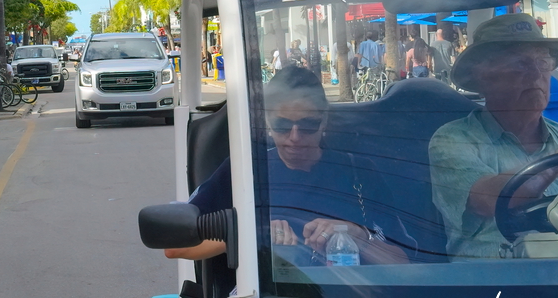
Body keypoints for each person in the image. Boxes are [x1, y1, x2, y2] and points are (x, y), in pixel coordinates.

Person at [429, 12, 558, 260]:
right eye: (519, 63)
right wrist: (555, 163)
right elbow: (487, 200)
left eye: (542, 64)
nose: (535, 75)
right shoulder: (453, 139)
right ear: (483, 76)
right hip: (492, 288)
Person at [166, 66, 407, 267]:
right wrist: (252, 233)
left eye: (308, 125)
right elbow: (175, 247)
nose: (294, 137)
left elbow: (406, 265)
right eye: (282, 125)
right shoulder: (245, 171)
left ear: (324, 120)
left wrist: (357, 236)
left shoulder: (360, 172)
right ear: (267, 123)